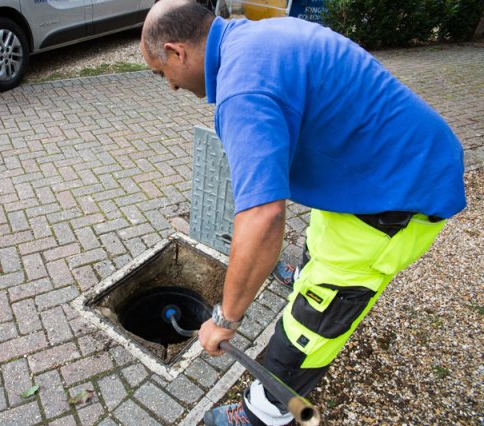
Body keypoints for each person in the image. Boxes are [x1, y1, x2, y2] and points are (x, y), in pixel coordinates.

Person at [140, 1, 467, 425]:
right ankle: (305, 282)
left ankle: (265, 411)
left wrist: (225, 318)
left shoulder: (243, 92)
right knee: (318, 247)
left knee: (313, 321)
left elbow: (262, 218)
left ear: (176, 51)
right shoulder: (257, 36)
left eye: (160, 71)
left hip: (398, 196)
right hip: (371, 174)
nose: (168, 85)